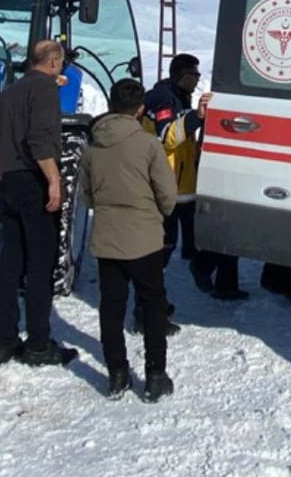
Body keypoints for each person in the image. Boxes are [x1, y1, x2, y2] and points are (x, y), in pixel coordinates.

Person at [81, 78, 179, 402]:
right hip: (144, 237)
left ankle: (117, 374)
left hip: (108, 235)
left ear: (110, 104)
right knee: (152, 305)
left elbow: (86, 193)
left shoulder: (93, 145)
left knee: (111, 306)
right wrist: (158, 214)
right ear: (140, 109)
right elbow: (168, 194)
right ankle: (154, 376)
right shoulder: (149, 144)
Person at [0, 39, 79, 368]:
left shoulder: (4, 95)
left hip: (8, 181)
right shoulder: (45, 90)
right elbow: (40, 138)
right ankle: (39, 345)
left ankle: (4, 340)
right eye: (61, 62)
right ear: (53, 63)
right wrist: (53, 180)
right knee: (40, 266)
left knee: (11, 263)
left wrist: (3, 176)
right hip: (33, 181)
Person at [144, 54, 249, 302]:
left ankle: (217, 279)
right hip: (168, 187)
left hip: (184, 186)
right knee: (163, 248)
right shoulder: (164, 99)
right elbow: (168, 136)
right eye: (194, 74)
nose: (197, 79)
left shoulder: (180, 97)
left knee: (206, 234)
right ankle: (148, 303)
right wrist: (196, 117)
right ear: (180, 75)